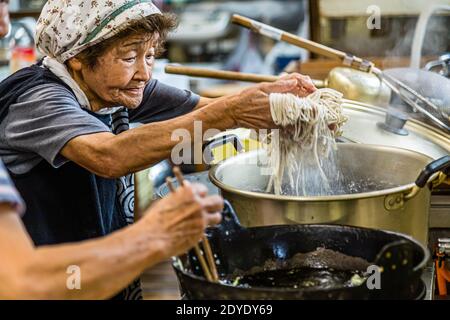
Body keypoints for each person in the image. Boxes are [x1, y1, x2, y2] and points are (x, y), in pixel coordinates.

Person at [0, 0, 316, 299]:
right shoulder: (38, 99)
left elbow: (204, 111)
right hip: (44, 279)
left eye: (150, 55)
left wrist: (275, 103)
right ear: (78, 58)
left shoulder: (114, 86)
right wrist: (230, 113)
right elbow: (109, 156)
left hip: (95, 272)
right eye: (129, 57)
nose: (145, 73)